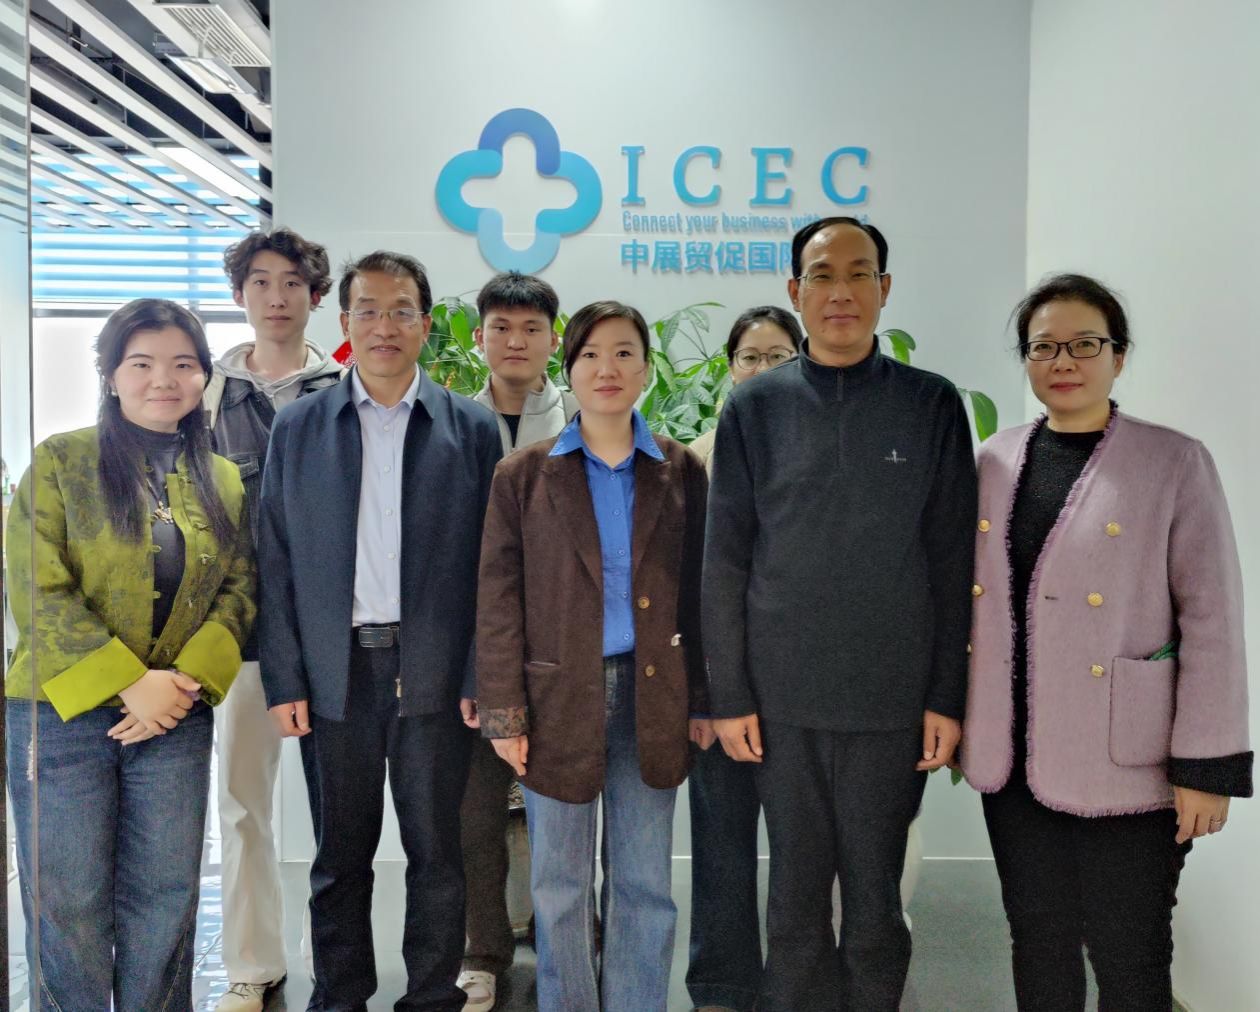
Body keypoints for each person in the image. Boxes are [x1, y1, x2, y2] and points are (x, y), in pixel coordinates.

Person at [704, 217, 977, 1011]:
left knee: (874, 905)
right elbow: (725, 561)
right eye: (822, 275)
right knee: (793, 902)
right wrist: (730, 696)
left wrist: (946, 696)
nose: (841, 292)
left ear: (884, 289)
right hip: (779, 706)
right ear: (796, 291)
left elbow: (952, 560)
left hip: (892, 703)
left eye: (860, 274)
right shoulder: (755, 407)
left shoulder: (930, 404)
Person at [961, 273, 1252, 1011]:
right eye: (1044, 347)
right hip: (1016, 758)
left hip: (1131, 760)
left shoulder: (1173, 461)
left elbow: (1213, 620)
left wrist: (1207, 767)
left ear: (1118, 356)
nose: (1064, 360)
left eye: (1085, 344)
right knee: (1038, 940)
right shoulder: (994, 460)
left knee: (1132, 952)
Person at [256, 250, 501, 1011]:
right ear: (345, 322)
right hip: (336, 674)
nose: (384, 326)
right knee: (339, 856)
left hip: (434, 672)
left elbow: (494, 567)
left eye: (401, 311)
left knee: (437, 854)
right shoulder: (300, 427)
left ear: (426, 325)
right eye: (368, 310)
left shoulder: (471, 427)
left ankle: (431, 997)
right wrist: (286, 678)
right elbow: (275, 559)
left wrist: (477, 675)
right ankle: (339, 997)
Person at [4, 298, 255, 1010]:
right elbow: (36, 587)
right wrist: (128, 682)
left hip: (176, 714)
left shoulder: (223, 477)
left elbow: (240, 588)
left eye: (183, 364)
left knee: (166, 895)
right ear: (111, 374)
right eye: (141, 363)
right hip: (59, 714)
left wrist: (182, 682)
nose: (163, 380)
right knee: (68, 900)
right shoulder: (60, 460)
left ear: (204, 377)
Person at [475, 301, 709, 1012]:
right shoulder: (523, 474)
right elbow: (498, 600)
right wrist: (504, 713)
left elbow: (702, 595)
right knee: (559, 885)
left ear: (646, 368)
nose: (608, 368)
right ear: (569, 367)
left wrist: (704, 701)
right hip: (555, 699)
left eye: (625, 353)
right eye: (591, 354)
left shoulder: (680, 470)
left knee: (644, 882)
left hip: (653, 697)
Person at [210, 226, 342, 1012]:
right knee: (242, 807)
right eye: (260, 281)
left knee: (340, 816)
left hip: (330, 636)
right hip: (239, 635)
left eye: (293, 282)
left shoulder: (344, 392)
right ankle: (253, 966)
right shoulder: (207, 398)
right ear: (240, 295)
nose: (277, 296)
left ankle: (338, 964)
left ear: (316, 296)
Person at [458, 271, 577, 1011]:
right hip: (481, 648)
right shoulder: (453, 423)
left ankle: (568, 940)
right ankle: (483, 950)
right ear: (479, 338)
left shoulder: (584, 421)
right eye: (501, 327)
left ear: (553, 340)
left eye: (532, 328)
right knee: (476, 812)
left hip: (567, 650)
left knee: (564, 806)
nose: (516, 341)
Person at [685, 305, 801, 1012]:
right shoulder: (696, 457)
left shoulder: (821, 449)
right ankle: (722, 983)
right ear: (730, 367)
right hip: (721, 686)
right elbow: (687, 587)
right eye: (749, 357)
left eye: (778, 356)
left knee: (800, 852)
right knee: (722, 844)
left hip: (798, 688)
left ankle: (794, 982)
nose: (761, 370)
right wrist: (704, 694)